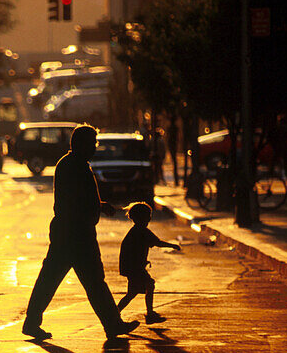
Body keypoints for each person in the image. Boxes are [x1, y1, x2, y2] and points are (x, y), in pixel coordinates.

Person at [22, 124, 139, 341]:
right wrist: (95, 208)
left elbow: (81, 198)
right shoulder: (72, 166)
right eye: (92, 143)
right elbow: (74, 201)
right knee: (88, 281)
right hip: (75, 234)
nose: (95, 148)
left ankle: (32, 322)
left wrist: (100, 205)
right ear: (81, 144)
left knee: (59, 279)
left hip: (73, 232)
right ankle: (112, 324)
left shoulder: (74, 164)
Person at [116, 202, 180, 324]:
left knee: (132, 293)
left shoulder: (136, 231)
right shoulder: (141, 231)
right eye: (147, 216)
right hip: (135, 267)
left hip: (132, 267)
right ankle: (149, 314)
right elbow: (158, 242)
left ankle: (114, 313)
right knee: (149, 284)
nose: (149, 218)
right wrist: (172, 245)